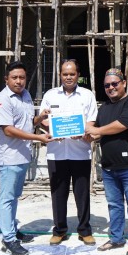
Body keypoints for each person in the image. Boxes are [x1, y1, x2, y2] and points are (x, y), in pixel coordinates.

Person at [0, 61, 52, 255]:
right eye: (14, 78)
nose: (19, 81)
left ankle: (12, 230)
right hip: (9, 157)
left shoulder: (25, 95)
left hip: (22, 155)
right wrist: (38, 137)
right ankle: (8, 239)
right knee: (7, 199)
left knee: (14, 196)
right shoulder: (2, 100)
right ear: (6, 79)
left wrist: (40, 117)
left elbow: (26, 123)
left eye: (22, 77)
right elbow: (8, 130)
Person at [84, 68, 128, 255]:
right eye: (107, 85)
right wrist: (85, 134)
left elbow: (122, 125)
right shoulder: (103, 109)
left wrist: (97, 130)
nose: (111, 88)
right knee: (114, 205)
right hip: (109, 167)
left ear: (124, 83)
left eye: (114, 84)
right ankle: (116, 237)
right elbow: (96, 135)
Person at [36, 59, 97, 245]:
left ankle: (84, 230)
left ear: (78, 75)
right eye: (65, 74)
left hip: (80, 152)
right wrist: (50, 127)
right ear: (60, 75)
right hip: (57, 152)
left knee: (82, 193)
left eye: (72, 74)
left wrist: (82, 131)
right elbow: (42, 120)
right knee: (58, 193)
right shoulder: (50, 95)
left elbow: (91, 121)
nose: (68, 77)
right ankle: (60, 230)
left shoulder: (87, 95)